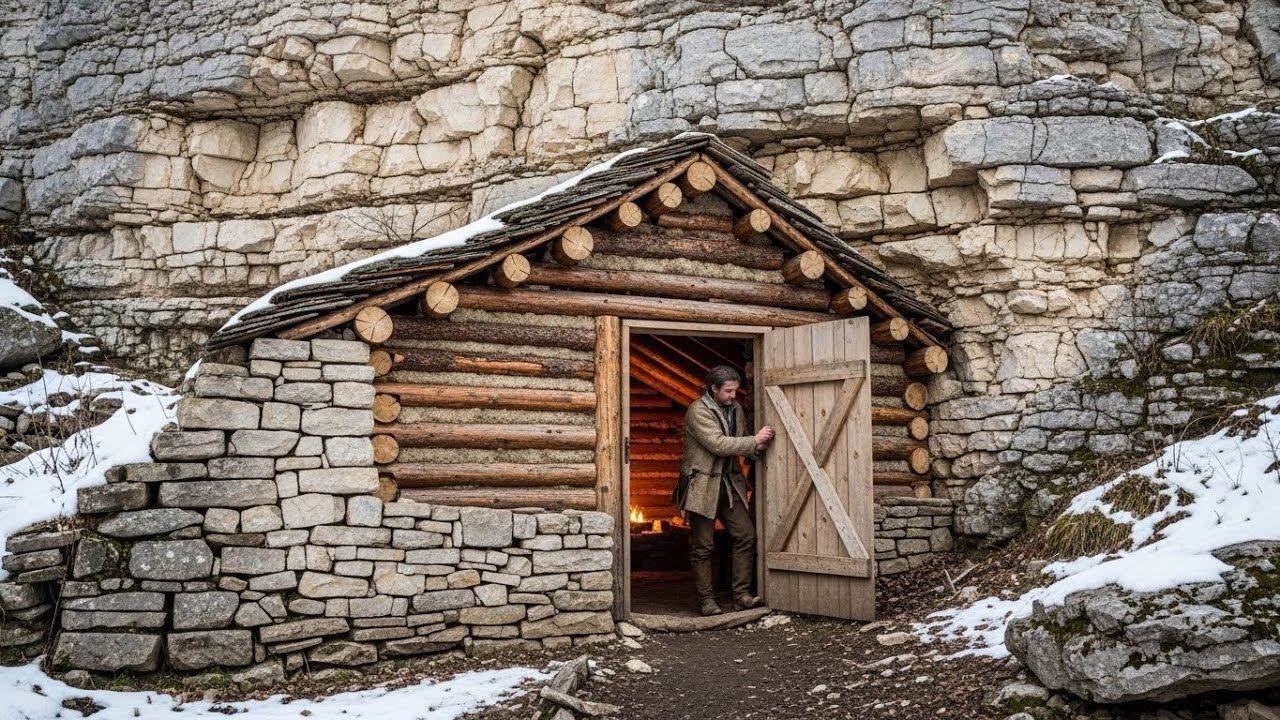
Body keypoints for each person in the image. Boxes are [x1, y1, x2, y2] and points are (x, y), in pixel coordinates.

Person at [676, 365, 775, 616]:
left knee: (745, 536)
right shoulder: (697, 411)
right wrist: (755, 440)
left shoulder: (736, 409)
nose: (733, 395)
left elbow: (738, 440)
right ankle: (706, 601)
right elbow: (718, 444)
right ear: (713, 388)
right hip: (702, 486)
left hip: (730, 485)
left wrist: (756, 449)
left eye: (735, 390)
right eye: (728, 391)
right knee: (703, 546)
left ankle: (741, 595)